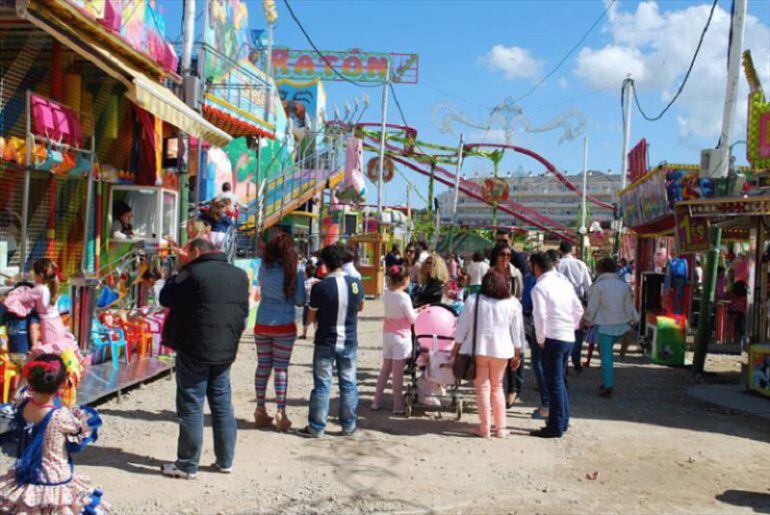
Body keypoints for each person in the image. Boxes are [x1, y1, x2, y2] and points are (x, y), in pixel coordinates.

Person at [159, 238, 248, 478]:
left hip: (194, 349)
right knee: (221, 404)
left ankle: (187, 464)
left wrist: (179, 268)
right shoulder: (239, 275)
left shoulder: (191, 273)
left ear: (196, 252)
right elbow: (243, 313)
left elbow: (165, 298)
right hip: (225, 350)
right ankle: (225, 460)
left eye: (187, 253)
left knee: (191, 405)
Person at [0, 353, 106, 513]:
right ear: (62, 385)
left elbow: (21, 391)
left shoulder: (23, 404)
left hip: (29, 474)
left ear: (31, 381)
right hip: (54, 478)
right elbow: (80, 435)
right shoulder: (61, 416)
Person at [300, 244, 365, 438]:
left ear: (325, 264)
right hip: (349, 341)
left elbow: (310, 317)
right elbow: (360, 307)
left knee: (322, 384)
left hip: (325, 341)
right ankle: (349, 425)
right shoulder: (355, 283)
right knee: (349, 383)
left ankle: (317, 427)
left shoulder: (320, 286)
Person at [455, 271, 524, 438]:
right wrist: (517, 353)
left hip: (479, 348)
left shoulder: (473, 300)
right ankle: (501, 428)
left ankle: (484, 428)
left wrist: (455, 349)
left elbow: (462, 327)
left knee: (483, 388)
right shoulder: (513, 303)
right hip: (502, 351)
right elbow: (517, 332)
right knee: (498, 387)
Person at [252, 232, 306, 431]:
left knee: (262, 366)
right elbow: (300, 300)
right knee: (281, 368)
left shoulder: (263, 268)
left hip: (262, 322)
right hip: (284, 324)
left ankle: (260, 409)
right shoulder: (295, 270)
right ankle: (281, 413)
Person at [529, 252, 583, 439]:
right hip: (567, 336)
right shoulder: (564, 283)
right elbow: (578, 309)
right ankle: (562, 420)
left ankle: (556, 426)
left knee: (554, 383)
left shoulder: (539, 287)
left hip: (552, 337)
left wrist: (540, 339)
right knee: (560, 381)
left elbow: (540, 316)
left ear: (536, 266)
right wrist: (571, 326)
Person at [583, 257, 638, 398]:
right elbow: (629, 306)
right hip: (621, 326)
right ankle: (606, 382)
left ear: (599, 269)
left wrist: (587, 320)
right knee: (607, 353)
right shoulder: (623, 286)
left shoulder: (598, 286)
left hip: (604, 325)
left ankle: (608, 385)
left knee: (606, 355)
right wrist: (635, 319)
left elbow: (592, 306)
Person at [3, 259, 78, 356]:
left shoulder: (39, 290)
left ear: (40, 275)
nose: (32, 275)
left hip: (48, 326)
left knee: (50, 353)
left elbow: (22, 297)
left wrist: (6, 297)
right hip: (57, 322)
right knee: (59, 353)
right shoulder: (50, 286)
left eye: (34, 272)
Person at [373, 264, 418, 414]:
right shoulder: (404, 297)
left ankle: (376, 401)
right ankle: (397, 405)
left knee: (385, 369)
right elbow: (412, 319)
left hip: (388, 335)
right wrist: (419, 312)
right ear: (405, 280)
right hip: (402, 338)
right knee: (397, 374)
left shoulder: (386, 294)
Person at [489, 243, 524, 407]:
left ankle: (513, 389)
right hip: (492, 316)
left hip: (510, 315)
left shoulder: (515, 274)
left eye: (508, 255)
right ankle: (494, 390)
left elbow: (519, 294)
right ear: (496, 256)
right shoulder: (489, 273)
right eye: (502, 254)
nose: (505, 258)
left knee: (514, 352)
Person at [556, 241, 592, 373]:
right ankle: (575, 358)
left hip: (561, 302)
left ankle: (564, 363)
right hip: (578, 300)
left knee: (564, 331)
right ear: (572, 250)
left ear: (560, 250)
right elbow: (588, 285)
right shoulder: (581, 264)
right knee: (578, 332)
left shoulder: (558, 264)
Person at [521, 271, 548, 419]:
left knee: (538, 362)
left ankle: (546, 404)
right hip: (561, 332)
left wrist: (540, 337)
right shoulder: (563, 281)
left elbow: (528, 304)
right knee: (556, 371)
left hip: (539, 327)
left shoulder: (534, 281)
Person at [301, 263, 320, 340]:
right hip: (316, 303)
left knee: (305, 320)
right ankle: (317, 334)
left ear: (306, 273)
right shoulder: (318, 281)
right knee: (316, 320)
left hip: (307, 304)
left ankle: (304, 334)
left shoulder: (305, 283)